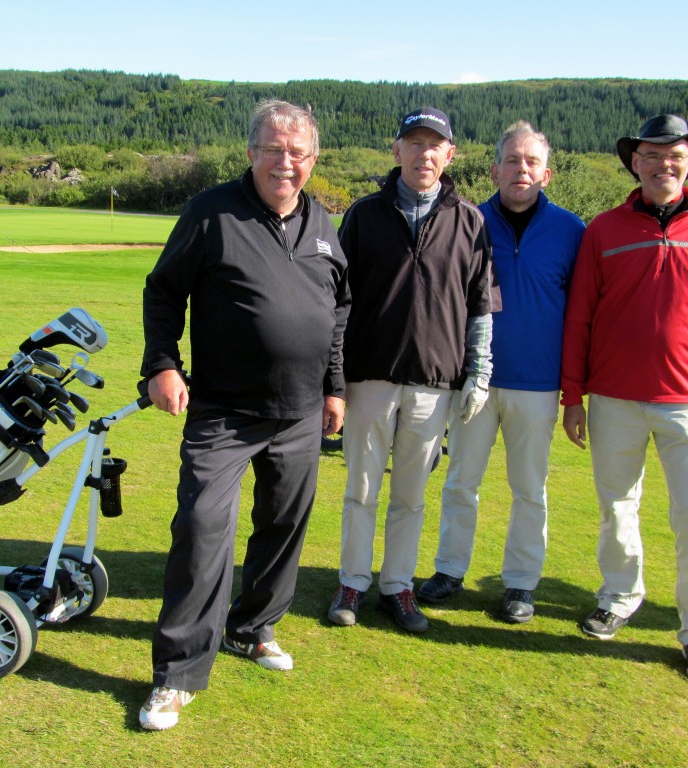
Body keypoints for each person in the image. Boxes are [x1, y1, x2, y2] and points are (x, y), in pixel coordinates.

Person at [137, 99, 350, 730]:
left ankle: (252, 628)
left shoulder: (322, 222)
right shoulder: (211, 212)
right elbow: (163, 291)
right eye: (274, 149)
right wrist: (161, 364)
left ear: (313, 159)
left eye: (298, 152)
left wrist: (335, 387)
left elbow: (337, 309)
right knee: (202, 527)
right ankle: (177, 674)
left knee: (283, 528)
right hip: (224, 411)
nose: (286, 162)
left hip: (300, 411)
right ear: (252, 152)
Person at [561, 114, 688, 685]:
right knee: (617, 507)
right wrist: (574, 395)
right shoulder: (604, 229)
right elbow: (581, 316)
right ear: (635, 163)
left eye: (675, 155)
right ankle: (620, 595)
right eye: (652, 155)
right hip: (615, 398)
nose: (663, 164)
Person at [328, 106, 497, 634]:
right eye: (415, 143)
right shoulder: (364, 214)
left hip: (434, 382)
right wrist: (334, 377)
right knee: (360, 489)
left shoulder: (470, 220)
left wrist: (478, 372)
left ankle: (397, 585)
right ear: (397, 149)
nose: (425, 154)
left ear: (450, 155)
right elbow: (337, 301)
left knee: (410, 496)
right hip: (369, 377)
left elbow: (480, 306)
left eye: (435, 145)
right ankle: (352, 581)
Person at [417, 121, 584, 623]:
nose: (521, 170)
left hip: (538, 383)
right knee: (460, 482)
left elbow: (582, 313)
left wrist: (574, 389)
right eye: (512, 160)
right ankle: (450, 570)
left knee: (530, 489)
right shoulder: (468, 220)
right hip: (473, 379)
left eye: (531, 162)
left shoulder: (572, 231)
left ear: (547, 174)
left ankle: (521, 583)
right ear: (494, 170)